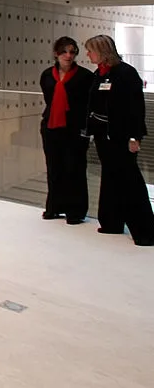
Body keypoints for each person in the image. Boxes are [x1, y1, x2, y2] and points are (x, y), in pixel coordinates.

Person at [84, 35, 154, 246]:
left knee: (129, 182)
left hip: (121, 137)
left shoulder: (126, 73)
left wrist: (134, 137)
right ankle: (111, 222)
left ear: (102, 51)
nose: (88, 54)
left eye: (90, 50)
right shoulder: (100, 73)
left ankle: (145, 231)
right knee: (111, 179)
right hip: (104, 136)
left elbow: (135, 109)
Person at [39, 37, 93, 224]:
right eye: (64, 52)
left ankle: (75, 212)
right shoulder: (47, 75)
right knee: (54, 168)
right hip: (51, 128)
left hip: (75, 129)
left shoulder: (85, 76)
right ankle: (54, 208)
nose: (68, 55)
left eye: (72, 51)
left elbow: (89, 105)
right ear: (56, 54)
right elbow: (49, 100)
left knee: (75, 169)